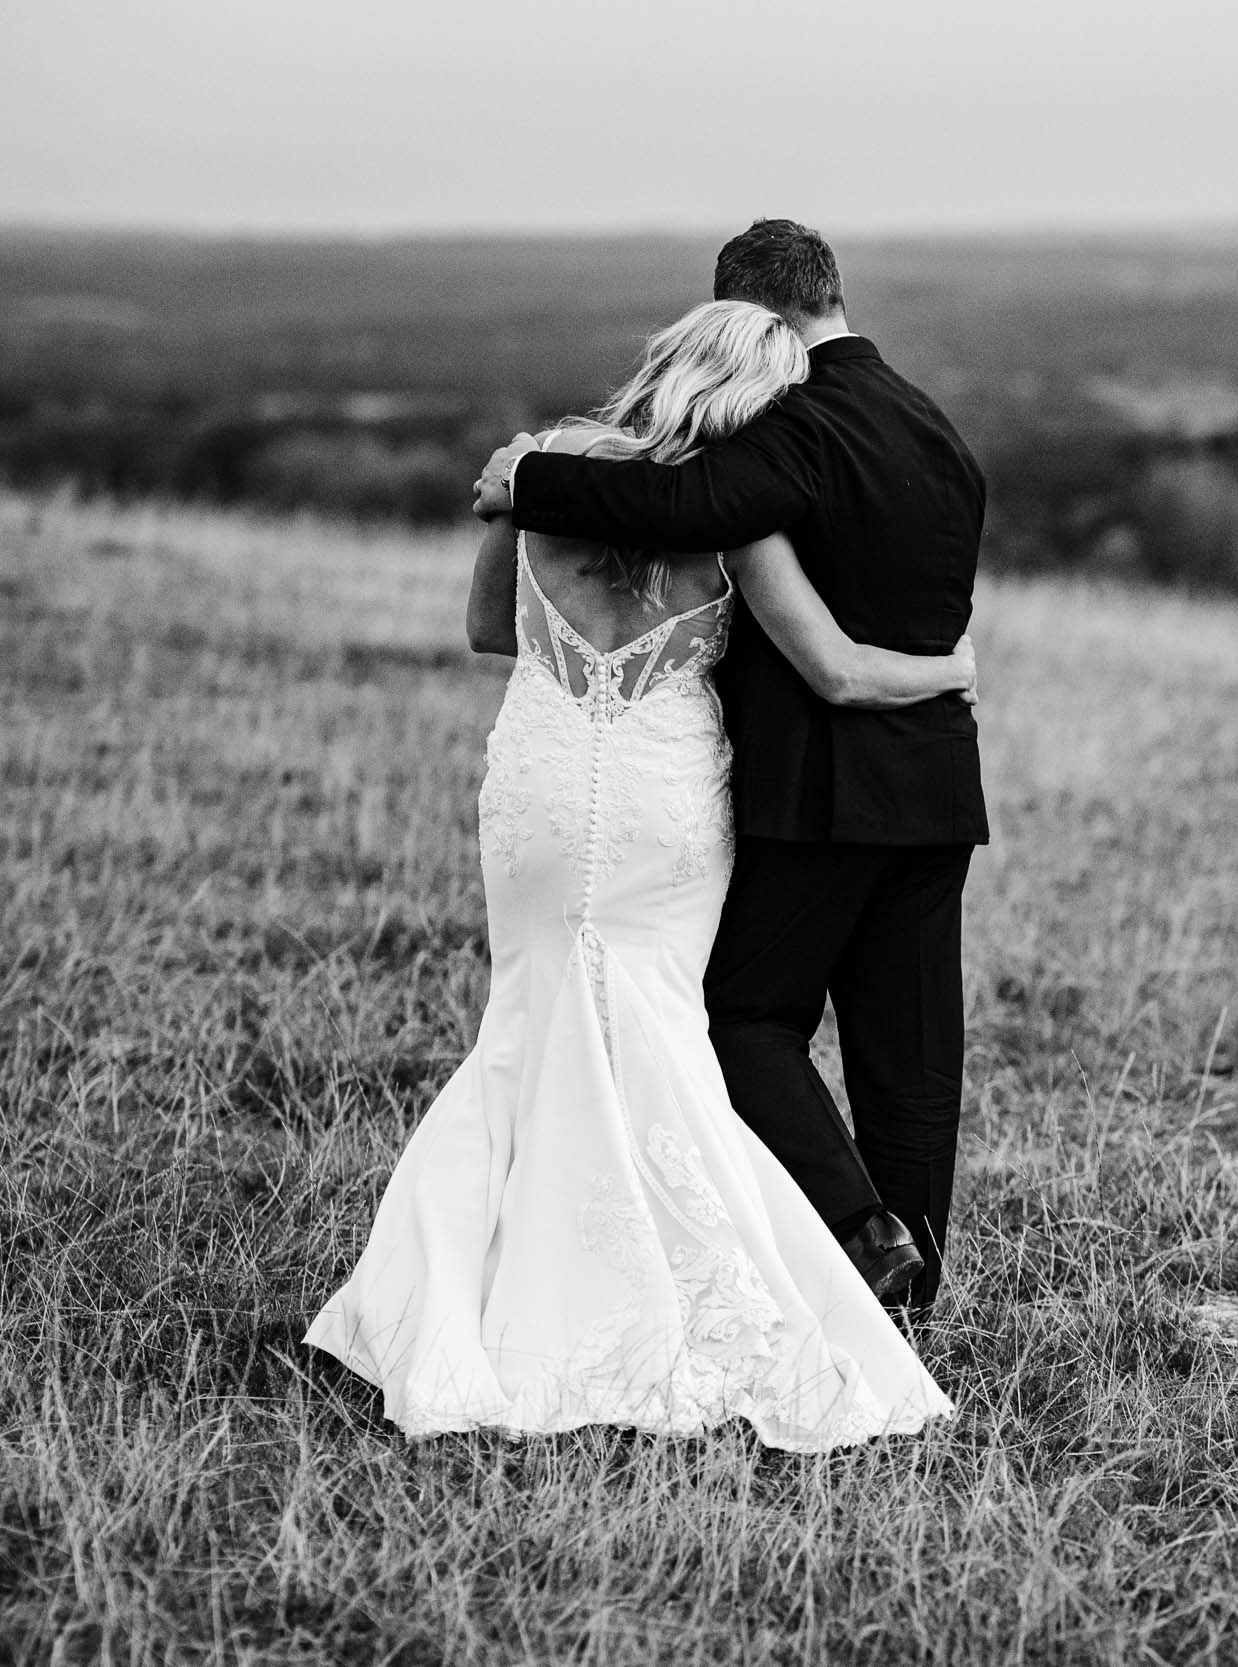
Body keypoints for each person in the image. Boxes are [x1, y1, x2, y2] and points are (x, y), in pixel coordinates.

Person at [307, 300, 969, 1448]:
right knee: (662, 1025)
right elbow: (823, 664)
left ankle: (474, 1285)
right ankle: (744, 1268)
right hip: (668, 800)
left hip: (546, 781)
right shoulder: (741, 529)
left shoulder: (543, 475)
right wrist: (955, 660)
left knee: (528, 1019)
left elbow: (485, 628)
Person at [473, 219, 988, 1316]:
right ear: (832, 293)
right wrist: (948, 670)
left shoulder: (798, 418)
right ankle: (907, 1298)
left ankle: (861, 1231)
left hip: (822, 792)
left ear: (753, 318)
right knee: (914, 1062)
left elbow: (680, 506)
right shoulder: (934, 427)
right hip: (938, 790)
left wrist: (526, 474)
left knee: (744, 1016)